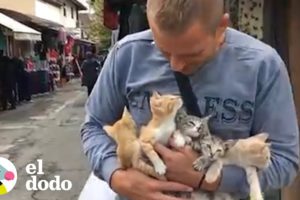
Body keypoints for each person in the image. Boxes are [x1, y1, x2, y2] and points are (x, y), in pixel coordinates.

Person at [81, 0, 299, 200]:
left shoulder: (262, 66)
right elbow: (94, 127)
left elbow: (285, 161)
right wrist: (117, 176)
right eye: (164, 51)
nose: (176, 65)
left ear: (221, 28)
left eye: (191, 54)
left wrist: (209, 178)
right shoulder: (126, 55)